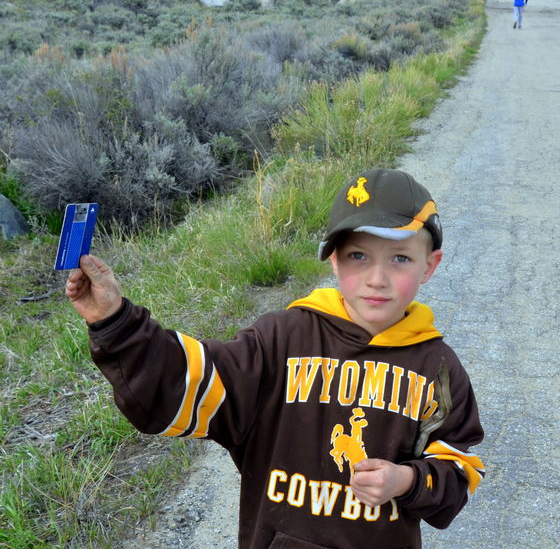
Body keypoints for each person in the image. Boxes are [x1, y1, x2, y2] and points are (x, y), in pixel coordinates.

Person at [66, 167, 485, 549]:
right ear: (334, 261)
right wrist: (116, 322)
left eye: (400, 259)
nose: (378, 278)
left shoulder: (438, 369)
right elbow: (192, 382)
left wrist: (408, 480)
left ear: (430, 266)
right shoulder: (281, 339)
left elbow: (460, 469)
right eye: (359, 255)